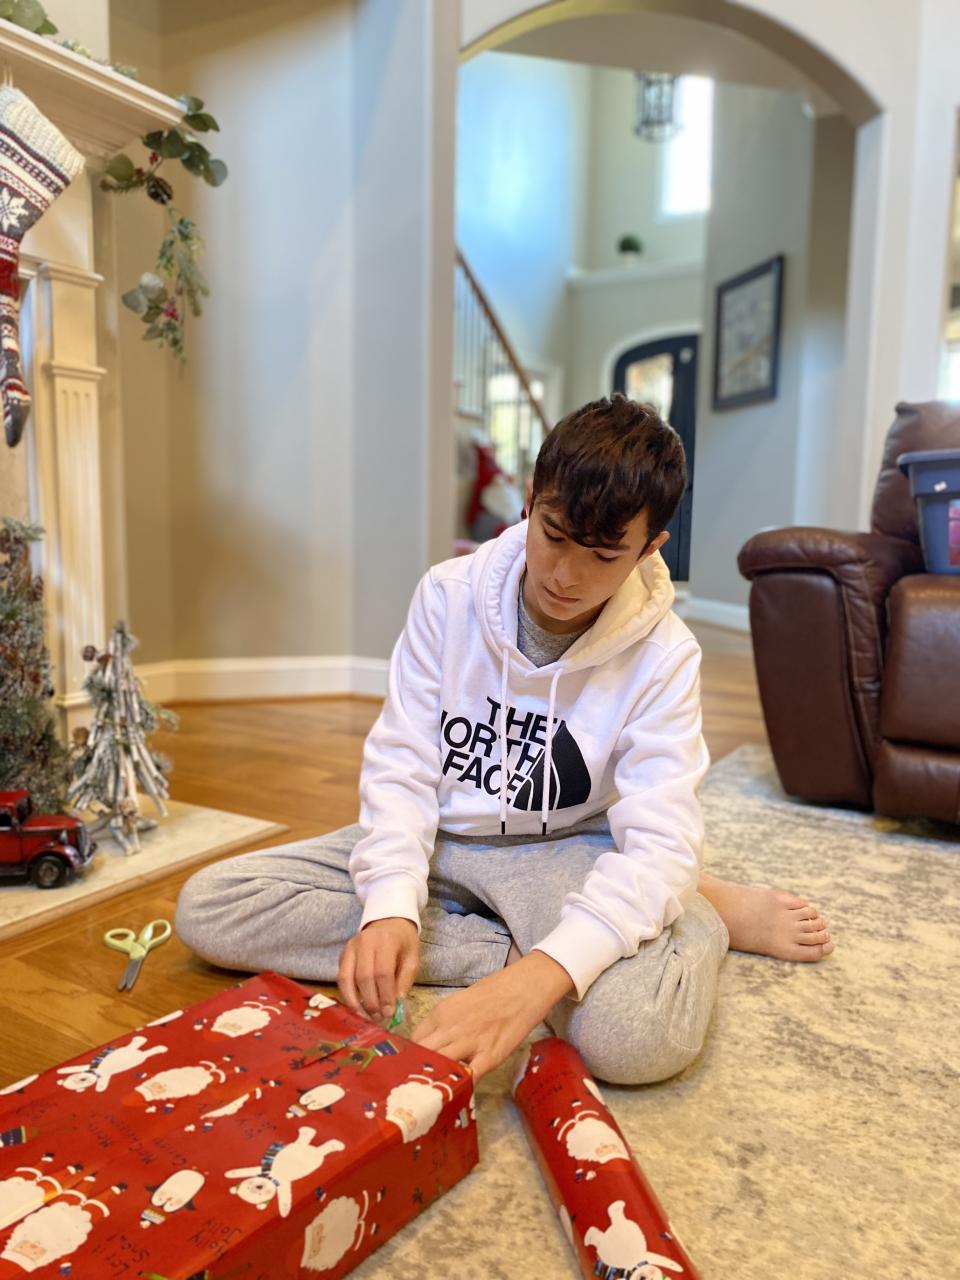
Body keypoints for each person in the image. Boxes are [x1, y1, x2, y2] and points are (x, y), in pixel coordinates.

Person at [175, 395, 833, 1085]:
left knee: (635, 1039)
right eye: (554, 535)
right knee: (212, 907)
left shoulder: (666, 655)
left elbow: (660, 842)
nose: (565, 575)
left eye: (604, 555)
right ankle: (522, 947)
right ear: (530, 500)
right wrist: (392, 906)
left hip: (563, 850)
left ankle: (698, 908)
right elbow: (403, 763)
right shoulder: (447, 596)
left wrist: (540, 981)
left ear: (649, 549)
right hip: (443, 839)